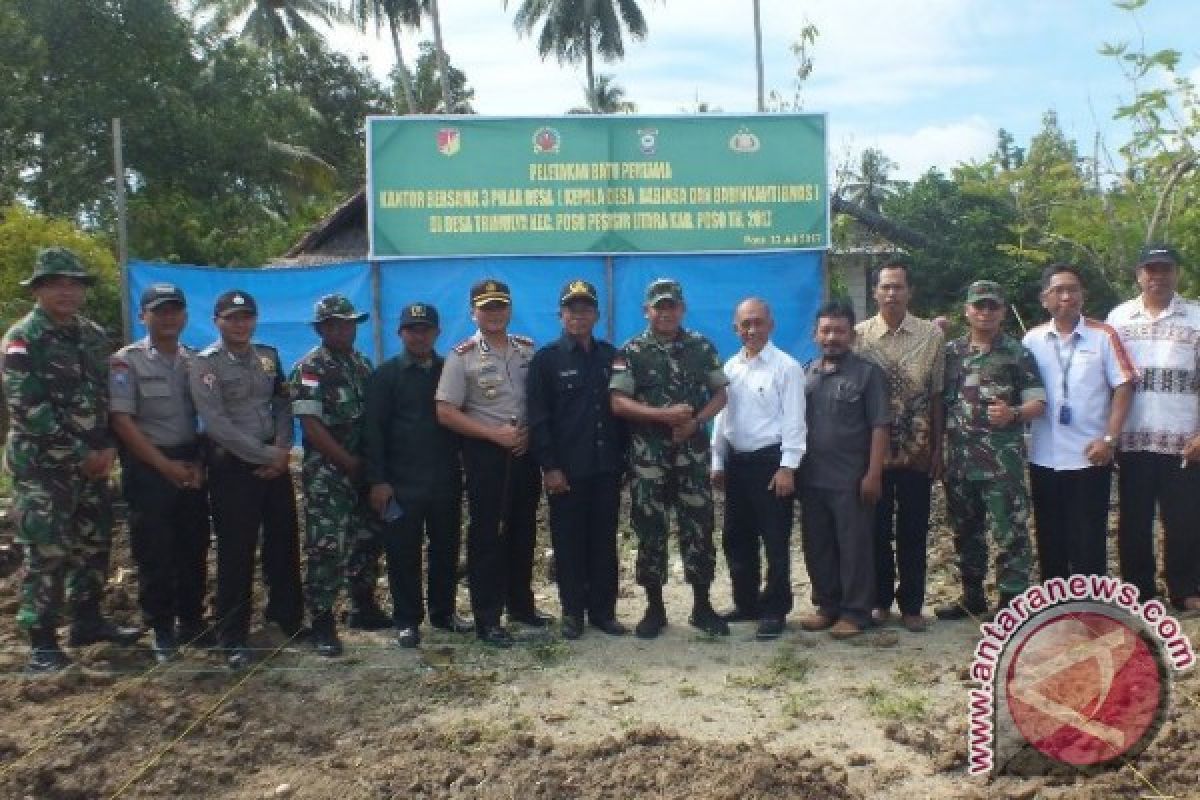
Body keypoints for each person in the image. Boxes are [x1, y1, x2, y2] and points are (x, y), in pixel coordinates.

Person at [2, 247, 141, 672]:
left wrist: (109, 447)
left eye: (73, 283)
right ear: (39, 289)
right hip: (44, 467)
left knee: (93, 543)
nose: (66, 291)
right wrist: (80, 454)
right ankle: (42, 640)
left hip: (94, 462)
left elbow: (109, 396)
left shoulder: (94, 335)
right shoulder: (22, 339)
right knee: (47, 549)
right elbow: (27, 408)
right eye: (56, 283)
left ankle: (87, 621)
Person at [189, 290, 304, 669]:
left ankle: (286, 619)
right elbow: (216, 423)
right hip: (233, 466)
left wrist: (283, 449)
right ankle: (232, 635)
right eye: (231, 318)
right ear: (216, 321)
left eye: (246, 317)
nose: (240, 324)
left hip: (274, 461)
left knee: (283, 541)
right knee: (236, 551)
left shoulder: (268, 356)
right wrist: (264, 455)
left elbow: (283, 403)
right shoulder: (205, 364)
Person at [610, 278, 729, 639]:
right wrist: (663, 417)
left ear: (682, 309)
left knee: (699, 528)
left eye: (672, 306)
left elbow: (720, 394)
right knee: (650, 529)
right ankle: (655, 608)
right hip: (650, 459)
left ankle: (702, 605)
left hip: (692, 456)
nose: (665, 313)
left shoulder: (700, 346)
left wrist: (695, 420)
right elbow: (618, 402)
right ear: (647, 311)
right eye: (659, 307)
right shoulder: (631, 351)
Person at [436, 279, 549, 647]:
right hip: (486, 454)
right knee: (488, 536)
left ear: (510, 309)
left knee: (523, 530)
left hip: (524, 451)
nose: (494, 313)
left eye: (500, 306)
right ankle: (488, 617)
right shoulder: (461, 356)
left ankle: (521, 605)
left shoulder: (527, 351)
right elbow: (446, 412)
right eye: (487, 308)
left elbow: (538, 401)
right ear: (474, 312)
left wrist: (529, 432)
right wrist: (491, 434)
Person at [109, 284, 212, 663]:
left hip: (190, 462)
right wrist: (163, 465)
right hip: (149, 465)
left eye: (175, 310)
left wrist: (199, 462)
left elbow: (209, 417)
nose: (168, 318)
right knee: (155, 550)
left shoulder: (196, 361)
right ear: (143, 317)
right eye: (159, 311)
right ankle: (161, 628)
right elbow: (122, 421)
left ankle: (192, 621)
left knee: (194, 543)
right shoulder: (126, 362)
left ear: (185, 315)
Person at [937, 280, 1046, 620]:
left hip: (1002, 463)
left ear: (1001, 311)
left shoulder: (1018, 353)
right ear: (967, 310)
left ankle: (1012, 602)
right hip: (960, 461)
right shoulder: (951, 352)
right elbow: (939, 402)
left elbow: (1038, 402)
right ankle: (972, 596)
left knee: (1009, 531)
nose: (985, 312)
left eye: (992, 306)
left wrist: (1013, 413)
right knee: (965, 530)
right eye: (979, 306)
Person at [365, 302, 471, 649]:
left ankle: (443, 613)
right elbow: (374, 432)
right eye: (412, 329)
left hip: (444, 480)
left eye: (426, 329)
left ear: (437, 333)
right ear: (401, 333)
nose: (419, 335)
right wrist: (378, 481)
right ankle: (407, 620)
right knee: (402, 553)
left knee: (445, 549)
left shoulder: (449, 370)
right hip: (401, 484)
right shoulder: (386, 375)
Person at [527, 280, 628, 640]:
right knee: (568, 544)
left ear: (597, 315)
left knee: (603, 541)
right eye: (572, 309)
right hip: (567, 472)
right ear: (561, 315)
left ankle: (603, 612)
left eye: (586, 309)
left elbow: (622, 414)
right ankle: (573, 613)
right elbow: (538, 419)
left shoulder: (611, 356)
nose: (579, 315)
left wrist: (624, 462)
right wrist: (549, 467)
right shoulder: (547, 360)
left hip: (605, 468)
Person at [289, 295, 387, 658]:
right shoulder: (310, 368)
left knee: (367, 539)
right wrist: (348, 462)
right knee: (327, 546)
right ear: (322, 328)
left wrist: (371, 466)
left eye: (350, 323)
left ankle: (363, 607)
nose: (346, 329)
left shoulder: (361, 364)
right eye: (337, 324)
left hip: (363, 470)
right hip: (328, 474)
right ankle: (322, 620)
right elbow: (311, 428)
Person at [1024, 264, 1136, 580]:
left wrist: (1110, 440)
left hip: (1090, 456)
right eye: (1057, 290)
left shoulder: (1103, 336)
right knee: (1049, 539)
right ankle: (1056, 613)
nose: (1066, 296)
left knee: (1088, 541)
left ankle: (1091, 613)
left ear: (1082, 295)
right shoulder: (1032, 340)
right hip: (1044, 456)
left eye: (1072, 289)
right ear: (1044, 298)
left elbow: (1124, 386)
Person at [1107, 245, 1200, 612]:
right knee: (1133, 520)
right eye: (1150, 269)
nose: (1157, 276)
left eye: (1165, 269)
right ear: (1138, 274)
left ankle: (1185, 587)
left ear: (1176, 273)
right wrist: (1109, 434)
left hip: (1184, 441)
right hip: (1132, 439)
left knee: (1185, 520)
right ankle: (1138, 589)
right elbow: (1110, 379)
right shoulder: (1119, 318)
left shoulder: (1196, 317)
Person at [854, 259, 944, 632]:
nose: (891, 293)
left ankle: (911, 605)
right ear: (875, 291)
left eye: (898, 287)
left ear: (910, 292)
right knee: (874, 529)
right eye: (885, 287)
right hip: (871, 454)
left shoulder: (930, 336)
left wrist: (939, 448)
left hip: (917, 452)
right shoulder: (858, 337)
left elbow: (937, 395)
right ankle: (879, 601)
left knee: (913, 530)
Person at [710, 297, 805, 640]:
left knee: (775, 540)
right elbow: (722, 418)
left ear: (771, 325)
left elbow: (795, 422)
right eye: (745, 324)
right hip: (737, 464)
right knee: (737, 538)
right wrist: (717, 461)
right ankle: (746, 603)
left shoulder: (787, 367)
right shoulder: (730, 367)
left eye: (758, 323)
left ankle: (775, 609)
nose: (752, 330)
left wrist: (788, 467)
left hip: (771, 464)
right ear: (735, 328)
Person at [799, 300, 889, 639]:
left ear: (851, 335)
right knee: (817, 544)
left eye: (839, 331)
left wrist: (874, 473)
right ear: (815, 334)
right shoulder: (806, 373)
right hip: (812, 478)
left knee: (854, 547)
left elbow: (880, 426)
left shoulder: (867, 374)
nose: (832, 337)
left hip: (852, 479)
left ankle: (855, 612)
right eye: (825, 331)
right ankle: (827, 606)